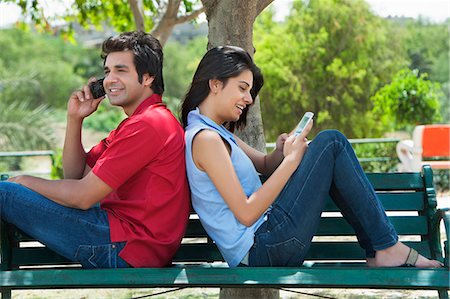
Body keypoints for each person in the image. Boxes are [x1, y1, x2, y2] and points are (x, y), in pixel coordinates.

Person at [180, 45, 443, 268]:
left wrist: (282, 151)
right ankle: (386, 247)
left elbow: (263, 163)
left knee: (331, 146)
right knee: (332, 143)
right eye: (242, 88)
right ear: (215, 84)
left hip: (269, 238)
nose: (248, 98)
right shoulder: (206, 140)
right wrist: (293, 160)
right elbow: (247, 213)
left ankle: (381, 249)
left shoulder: (215, 133)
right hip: (264, 247)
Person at [1, 31, 190, 268]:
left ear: (148, 77)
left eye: (121, 70)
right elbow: (75, 175)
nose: (110, 79)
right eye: (107, 71)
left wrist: (24, 181)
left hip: (128, 245)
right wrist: (75, 119)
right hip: (122, 238)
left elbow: (81, 197)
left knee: (4, 193)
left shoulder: (149, 125)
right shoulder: (136, 123)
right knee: (7, 188)